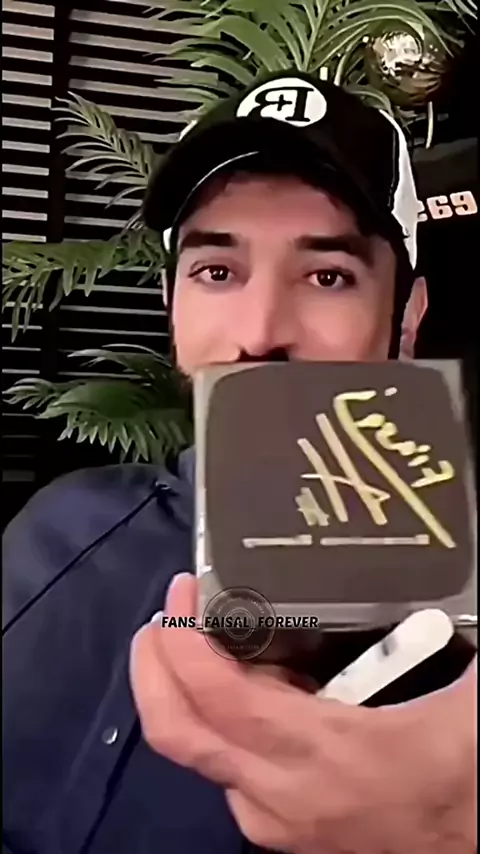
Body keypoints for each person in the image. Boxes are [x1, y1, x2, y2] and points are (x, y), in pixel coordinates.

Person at [3, 71, 476, 854]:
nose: (259, 333)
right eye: (217, 272)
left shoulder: (454, 624)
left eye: (327, 276)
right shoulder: (56, 530)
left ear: (406, 321)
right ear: (171, 303)